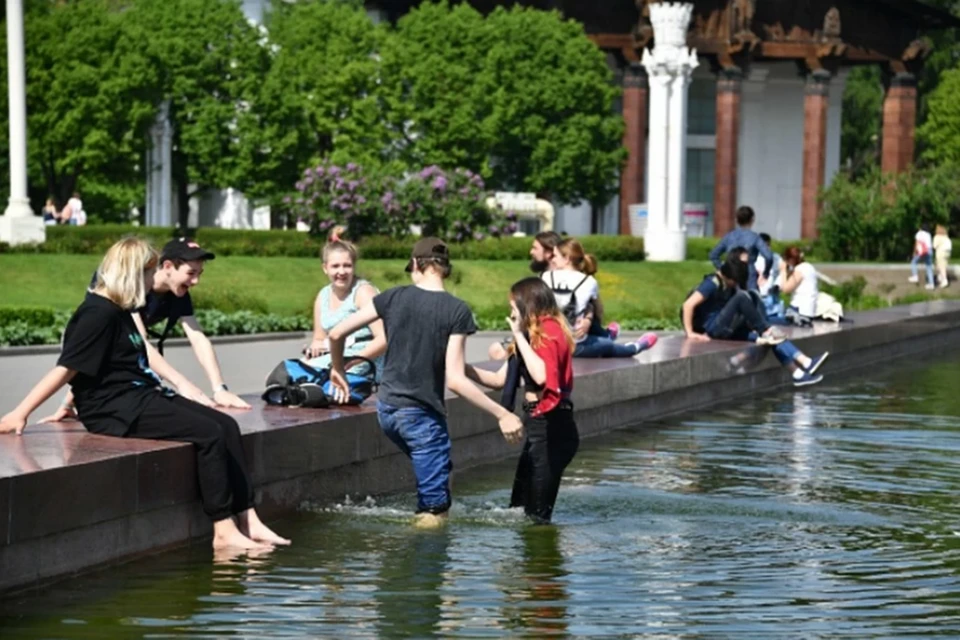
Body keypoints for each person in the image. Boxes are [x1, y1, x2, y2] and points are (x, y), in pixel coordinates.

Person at [0, 237, 288, 550]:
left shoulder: (119, 309)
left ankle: (249, 520)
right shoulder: (97, 313)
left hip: (138, 395)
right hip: (115, 409)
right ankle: (223, 529)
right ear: (134, 274)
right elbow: (68, 367)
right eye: (150, 274)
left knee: (227, 426)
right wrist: (21, 412)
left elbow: (99, 363)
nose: (153, 281)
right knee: (210, 433)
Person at [326, 237, 525, 528]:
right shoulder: (456, 310)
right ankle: (414, 560)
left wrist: (338, 370)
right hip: (421, 417)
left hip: (388, 411)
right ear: (445, 269)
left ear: (417, 264)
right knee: (434, 511)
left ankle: (440, 570)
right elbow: (454, 380)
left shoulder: (392, 297)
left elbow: (335, 334)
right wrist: (503, 414)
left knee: (443, 475)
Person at [47, 237, 249, 423]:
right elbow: (137, 343)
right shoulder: (134, 284)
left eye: (199, 274)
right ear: (167, 266)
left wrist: (219, 388)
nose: (196, 281)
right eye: (191, 273)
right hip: (92, 335)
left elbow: (197, 338)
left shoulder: (177, 292)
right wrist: (182, 383)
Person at [465, 277, 579, 524]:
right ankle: (523, 562)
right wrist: (459, 368)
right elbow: (498, 379)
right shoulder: (532, 335)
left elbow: (541, 376)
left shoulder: (550, 331)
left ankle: (540, 562)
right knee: (519, 509)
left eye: (513, 308)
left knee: (537, 518)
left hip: (553, 428)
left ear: (527, 306)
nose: (511, 314)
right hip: (539, 425)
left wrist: (518, 335)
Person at [681, 257, 829, 387]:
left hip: (727, 328)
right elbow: (688, 305)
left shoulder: (728, 285)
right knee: (742, 298)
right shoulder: (711, 283)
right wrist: (691, 333)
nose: (736, 284)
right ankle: (765, 329)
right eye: (736, 281)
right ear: (730, 277)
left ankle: (800, 370)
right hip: (714, 328)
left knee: (771, 340)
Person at [544, 238, 656, 358]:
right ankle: (633, 347)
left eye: (555, 256)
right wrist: (589, 319)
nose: (552, 259)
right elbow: (597, 310)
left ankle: (608, 336)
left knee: (587, 319)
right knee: (607, 345)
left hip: (548, 341)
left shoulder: (545, 276)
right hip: (575, 345)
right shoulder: (589, 281)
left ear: (566, 259)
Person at [302, 227, 386, 376]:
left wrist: (351, 361)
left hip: (365, 361)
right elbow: (319, 338)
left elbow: (383, 339)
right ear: (325, 268)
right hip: (335, 358)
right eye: (335, 266)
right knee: (290, 373)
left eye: (347, 266)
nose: (341, 272)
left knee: (306, 375)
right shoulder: (323, 296)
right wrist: (316, 347)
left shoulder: (363, 293)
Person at [708, 205, 774, 291]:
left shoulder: (729, 236)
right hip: (749, 276)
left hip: (731, 275)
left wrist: (723, 268)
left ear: (736, 220)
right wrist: (766, 273)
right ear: (752, 220)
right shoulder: (755, 237)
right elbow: (768, 256)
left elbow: (713, 255)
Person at [778, 246, 819, 324]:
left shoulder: (800, 270)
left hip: (799, 311)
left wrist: (783, 271)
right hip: (809, 310)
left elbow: (786, 289)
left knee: (770, 321)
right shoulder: (809, 267)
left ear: (791, 259)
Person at [908, 223, 935, 290]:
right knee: (929, 267)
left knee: (914, 262)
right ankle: (931, 284)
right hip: (929, 250)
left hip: (921, 250)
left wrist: (914, 252)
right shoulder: (929, 234)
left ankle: (915, 276)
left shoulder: (919, 233)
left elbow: (917, 243)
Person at [934, 224, 952, 289]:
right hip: (947, 253)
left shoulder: (937, 237)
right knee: (944, 266)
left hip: (940, 253)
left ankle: (944, 280)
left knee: (941, 267)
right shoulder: (946, 237)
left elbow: (934, 246)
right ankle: (940, 278)